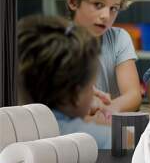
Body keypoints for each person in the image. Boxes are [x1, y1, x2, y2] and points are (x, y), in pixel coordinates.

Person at [17, 15, 112, 149]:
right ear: (76, 93)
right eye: (91, 86)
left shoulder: (15, 128)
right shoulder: (98, 138)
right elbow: (137, 141)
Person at [66, 0, 142, 113]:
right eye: (98, 4)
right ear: (73, 1)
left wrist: (106, 109)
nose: (106, 16)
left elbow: (134, 95)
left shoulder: (119, 38)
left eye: (114, 8)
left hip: (107, 127)